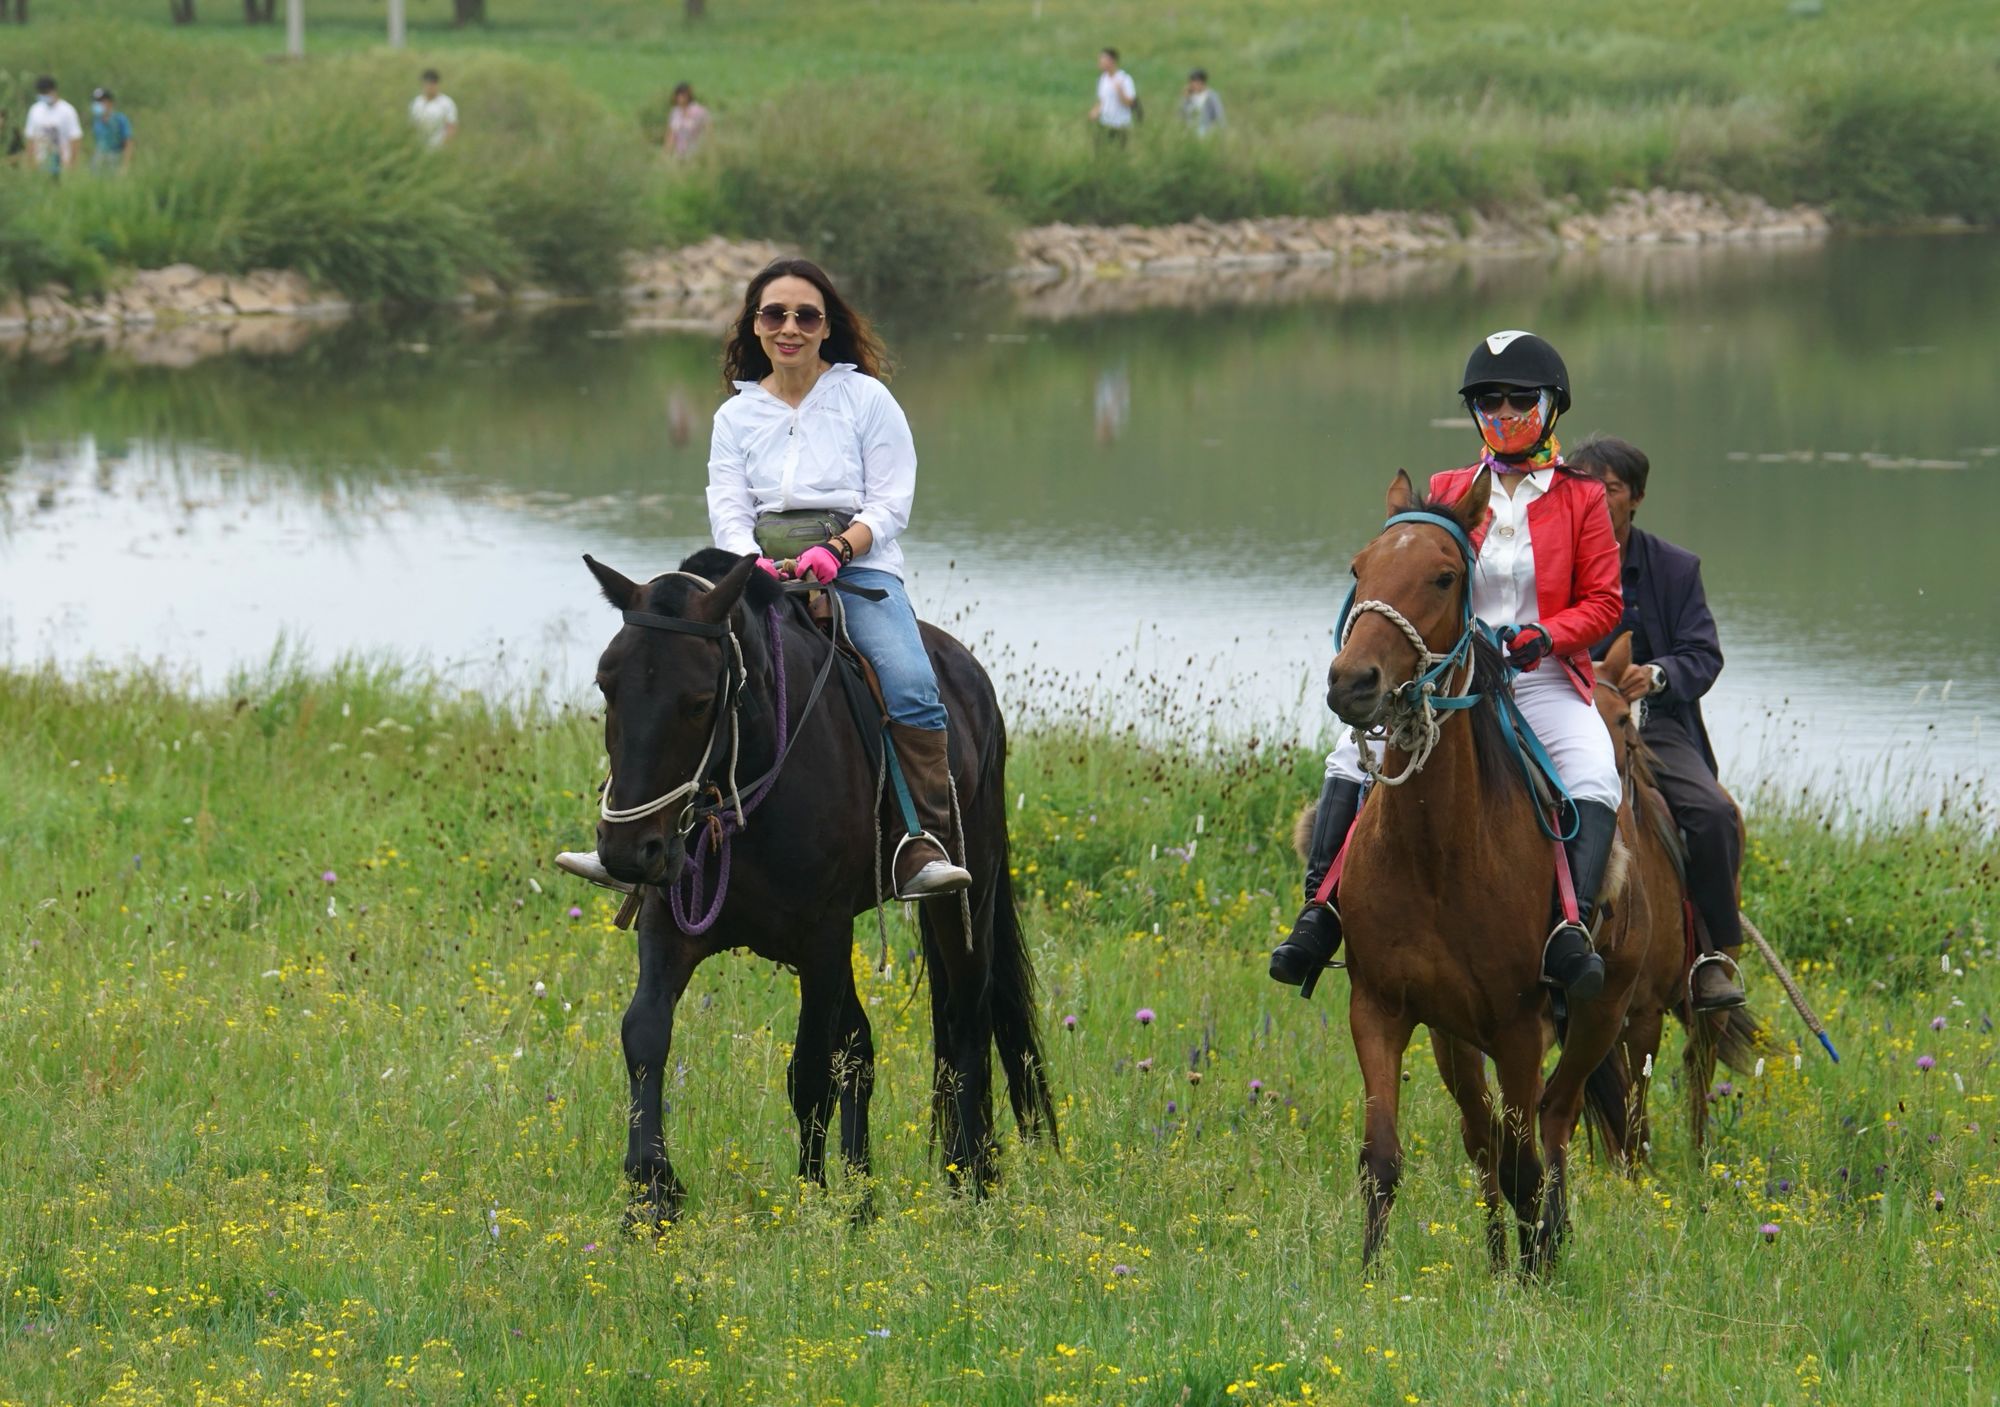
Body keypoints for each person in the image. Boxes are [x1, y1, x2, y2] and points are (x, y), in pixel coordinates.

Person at [561, 258, 971, 901]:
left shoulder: (866, 399)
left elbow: (892, 502)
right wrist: (749, 563)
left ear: (826, 325)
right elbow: (728, 506)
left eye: (805, 316)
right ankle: (628, 834)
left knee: (911, 682)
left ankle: (919, 842)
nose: (789, 328)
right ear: (754, 325)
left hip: (857, 571)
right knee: (661, 675)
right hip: (752, 575)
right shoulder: (736, 416)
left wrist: (837, 549)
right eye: (773, 314)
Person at [1270, 331, 1625, 1004]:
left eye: (1521, 397)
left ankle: (1567, 932)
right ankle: (1320, 913)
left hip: (1542, 676)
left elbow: (1605, 602)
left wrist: (1545, 636)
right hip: (1450, 677)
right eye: (1489, 398)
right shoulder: (1452, 489)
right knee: (1349, 756)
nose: (1505, 408)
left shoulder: (1582, 498)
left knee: (1593, 771)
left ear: (1552, 406)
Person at [1571, 435, 1747, 1010]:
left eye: (1612, 488)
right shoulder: (1550, 560)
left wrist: (1659, 674)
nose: (1598, 498)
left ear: (1636, 497)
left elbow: (1703, 654)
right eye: (1586, 486)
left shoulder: (1675, 568)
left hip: (1654, 724)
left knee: (1714, 814)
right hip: (1566, 714)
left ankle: (1713, 956)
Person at [24, 76, 82, 179]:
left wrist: (72, 165)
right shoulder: (35, 110)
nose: (43, 95)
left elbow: (75, 139)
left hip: (62, 164)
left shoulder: (67, 110)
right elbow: (30, 138)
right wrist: (31, 163)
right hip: (41, 164)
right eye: (41, 93)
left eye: (45, 92)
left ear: (54, 91)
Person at [1088, 47, 1137, 142]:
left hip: (1120, 125)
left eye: (1102, 59)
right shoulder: (1102, 79)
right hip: (1105, 123)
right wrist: (1095, 111)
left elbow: (1130, 103)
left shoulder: (1125, 79)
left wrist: (1120, 92)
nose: (1100, 62)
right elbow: (1102, 101)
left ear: (1111, 61)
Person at [409, 70, 459, 149]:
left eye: (432, 84)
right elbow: (412, 127)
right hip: (419, 147)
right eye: (427, 84)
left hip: (439, 147)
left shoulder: (446, 103)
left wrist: (445, 146)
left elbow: (451, 127)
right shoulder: (416, 103)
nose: (429, 87)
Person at [90, 88, 134, 171]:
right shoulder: (97, 121)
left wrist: (125, 166)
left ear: (110, 102)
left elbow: (128, 144)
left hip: (116, 159)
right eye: (96, 102)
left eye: (101, 101)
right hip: (100, 161)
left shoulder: (120, 119)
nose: (98, 104)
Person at [665, 82, 710, 159]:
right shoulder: (675, 112)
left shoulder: (699, 111)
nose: (680, 98)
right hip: (680, 154)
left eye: (683, 95)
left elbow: (708, 129)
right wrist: (667, 152)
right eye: (678, 95)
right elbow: (671, 134)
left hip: (696, 153)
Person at [1180, 69, 1224, 136]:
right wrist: (1186, 98)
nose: (1195, 85)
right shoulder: (1189, 96)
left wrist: (1222, 131)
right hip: (1189, 130)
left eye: (1198, 82)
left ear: (1203, 83)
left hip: (1206, 130)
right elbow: (1181, 114)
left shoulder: (1212, 96)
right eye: (1192, 82)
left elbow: (1219, 114)